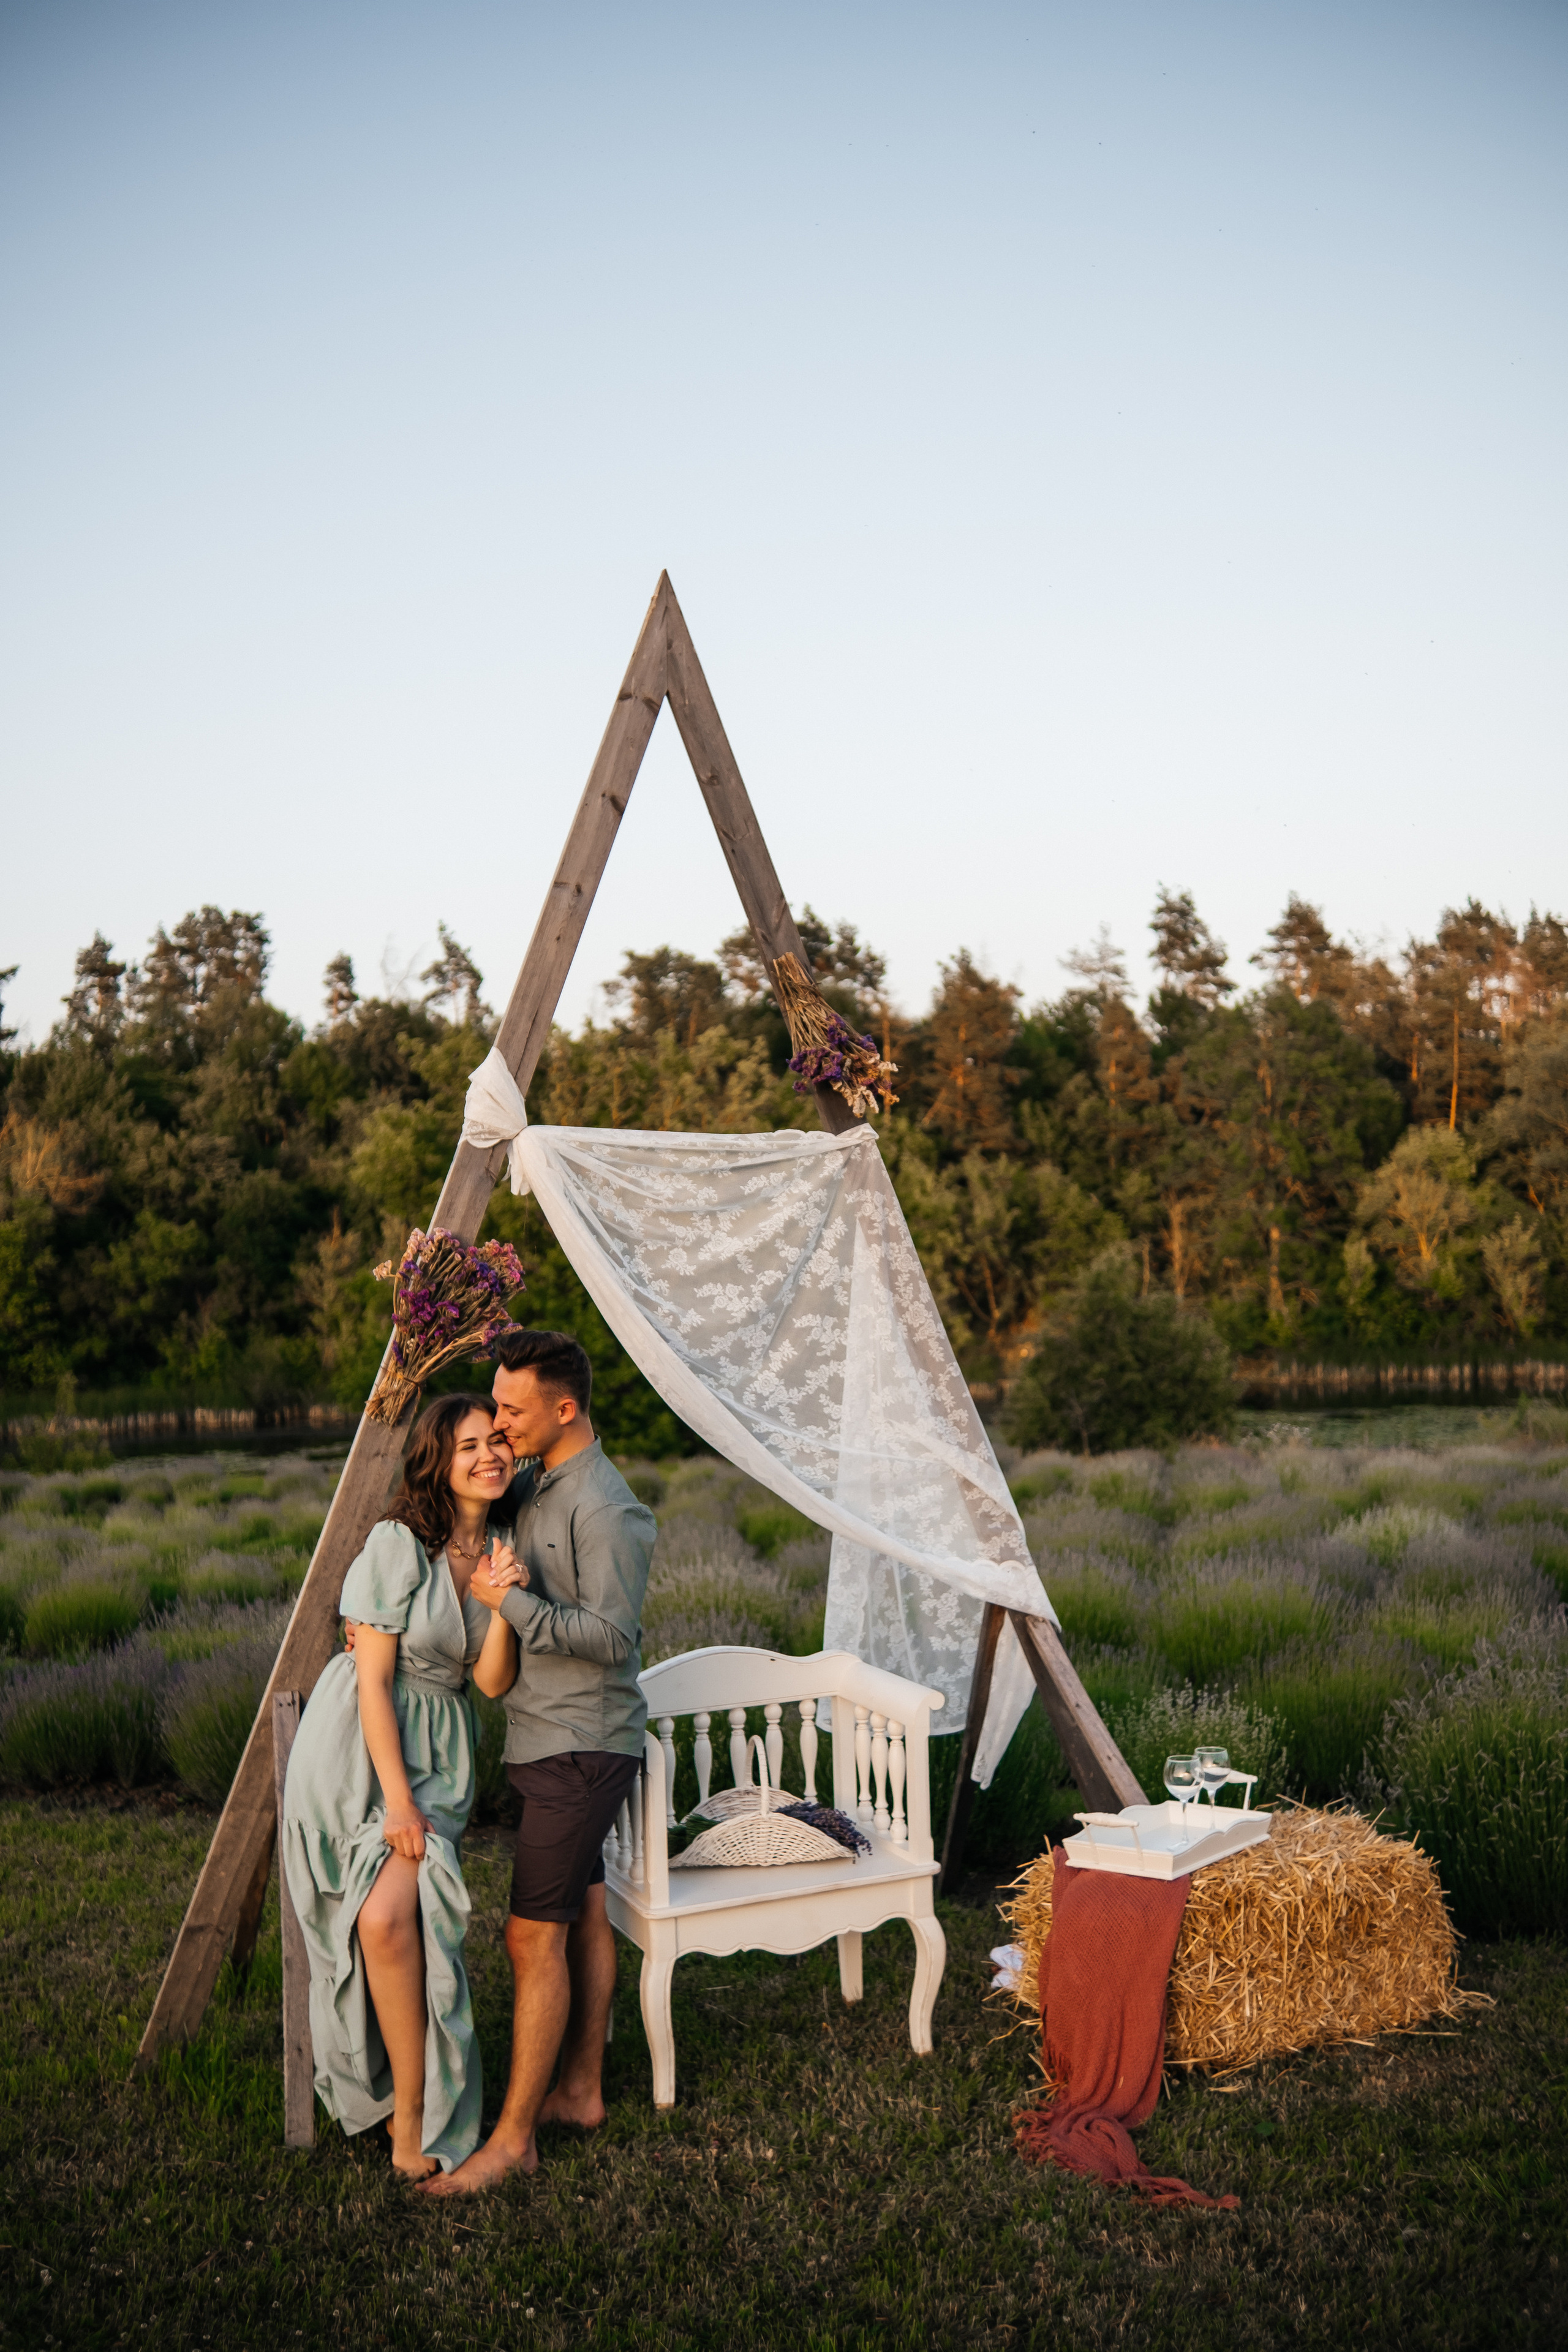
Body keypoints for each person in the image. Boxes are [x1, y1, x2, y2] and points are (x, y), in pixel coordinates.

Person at [421, 1326, 657, 2196]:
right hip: (547, 1740)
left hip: (582, 1746)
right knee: (585, 1913)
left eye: (513, 1411)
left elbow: (610, 1637)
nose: (502, 1422)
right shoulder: (536, 1480)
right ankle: (583, 2092)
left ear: (564, 1409)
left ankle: (514, 2139)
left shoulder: (606, 1508)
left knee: (531, 1936)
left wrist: (510, 1600)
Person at [281, 1392, 524, 2180]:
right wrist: (398, 1801)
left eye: (496, 1441)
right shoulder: (398, 1542)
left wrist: (504, 1604)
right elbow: (374, 1683)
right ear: (437, 1462)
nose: (489, 1455)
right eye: (468, 1447)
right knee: (384, 1918)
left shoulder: (500, 1549)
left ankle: (412, 2110)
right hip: (362, 1749)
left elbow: (488, 1684)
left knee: (389, 1914)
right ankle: (406, 2115)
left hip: (444, 1749)